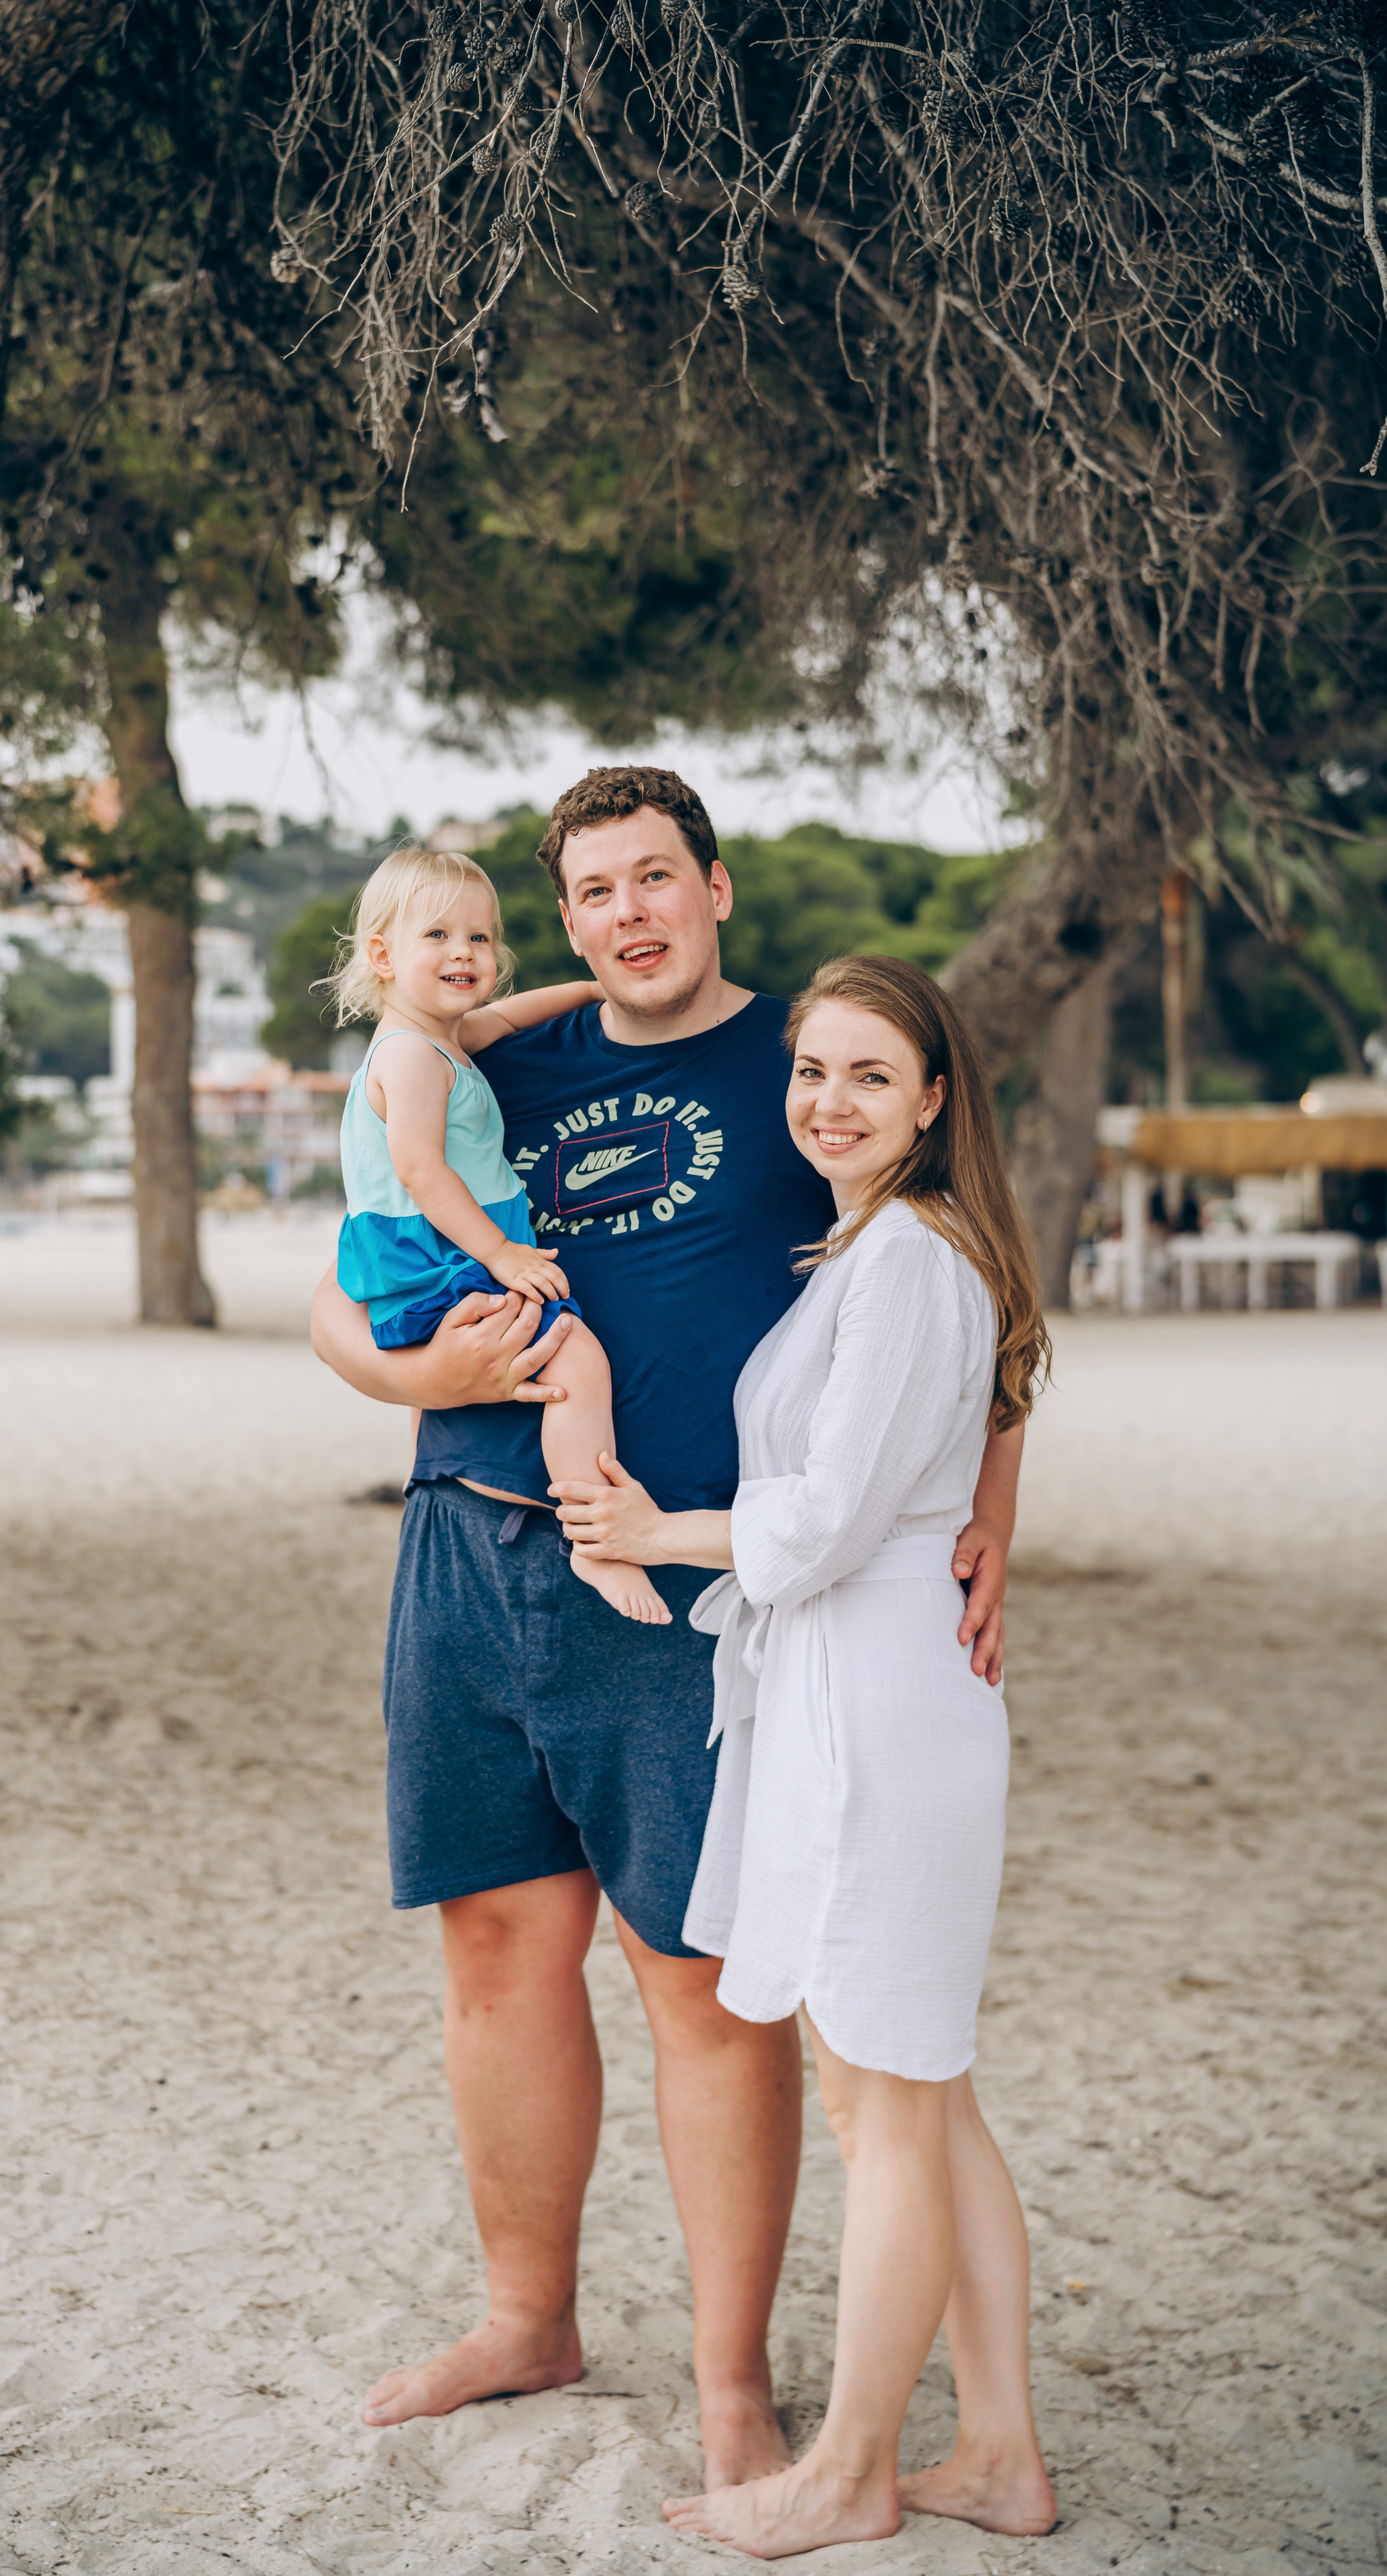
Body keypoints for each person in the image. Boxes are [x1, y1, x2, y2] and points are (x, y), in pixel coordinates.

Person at [310, 768, 1023, 2492]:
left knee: (699, 1976)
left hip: (690, 1579)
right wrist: (417, 1374)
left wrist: (993, 1512)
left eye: (652, 880)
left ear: (712, 886)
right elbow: (335, 1289)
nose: (623, 915)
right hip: (468, 1543)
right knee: (492, 1943)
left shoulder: (808, 1064)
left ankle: (724, 2382)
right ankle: (525, 2315)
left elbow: (966, 1273)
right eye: (590, 893)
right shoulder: (486, 1054)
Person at [553, 953, 1058, 2554]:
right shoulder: (873, 1251)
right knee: (926, 2092)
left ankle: (847, 2467)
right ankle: (995, 2453)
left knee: (884, 2107)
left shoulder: (905, 1258)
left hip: (880, 1698)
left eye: (864, 1073)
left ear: (930, 1098)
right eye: (807, 1072)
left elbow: (828, 1520)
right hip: (863, 1684)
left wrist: (657, 1531)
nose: (826, 1102)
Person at [329, 840, 670, 1623]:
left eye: (480, 938)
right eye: (439, 937)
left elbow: (510, 1016)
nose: (465, 953)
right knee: (577, 1360)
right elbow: (419, 1169)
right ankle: (596, 1540)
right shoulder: (414, 1058)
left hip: (432, 1256)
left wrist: (594, 987)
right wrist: (501, 1253)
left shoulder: (441, 1038)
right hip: (438, 1257)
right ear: (382, 954)